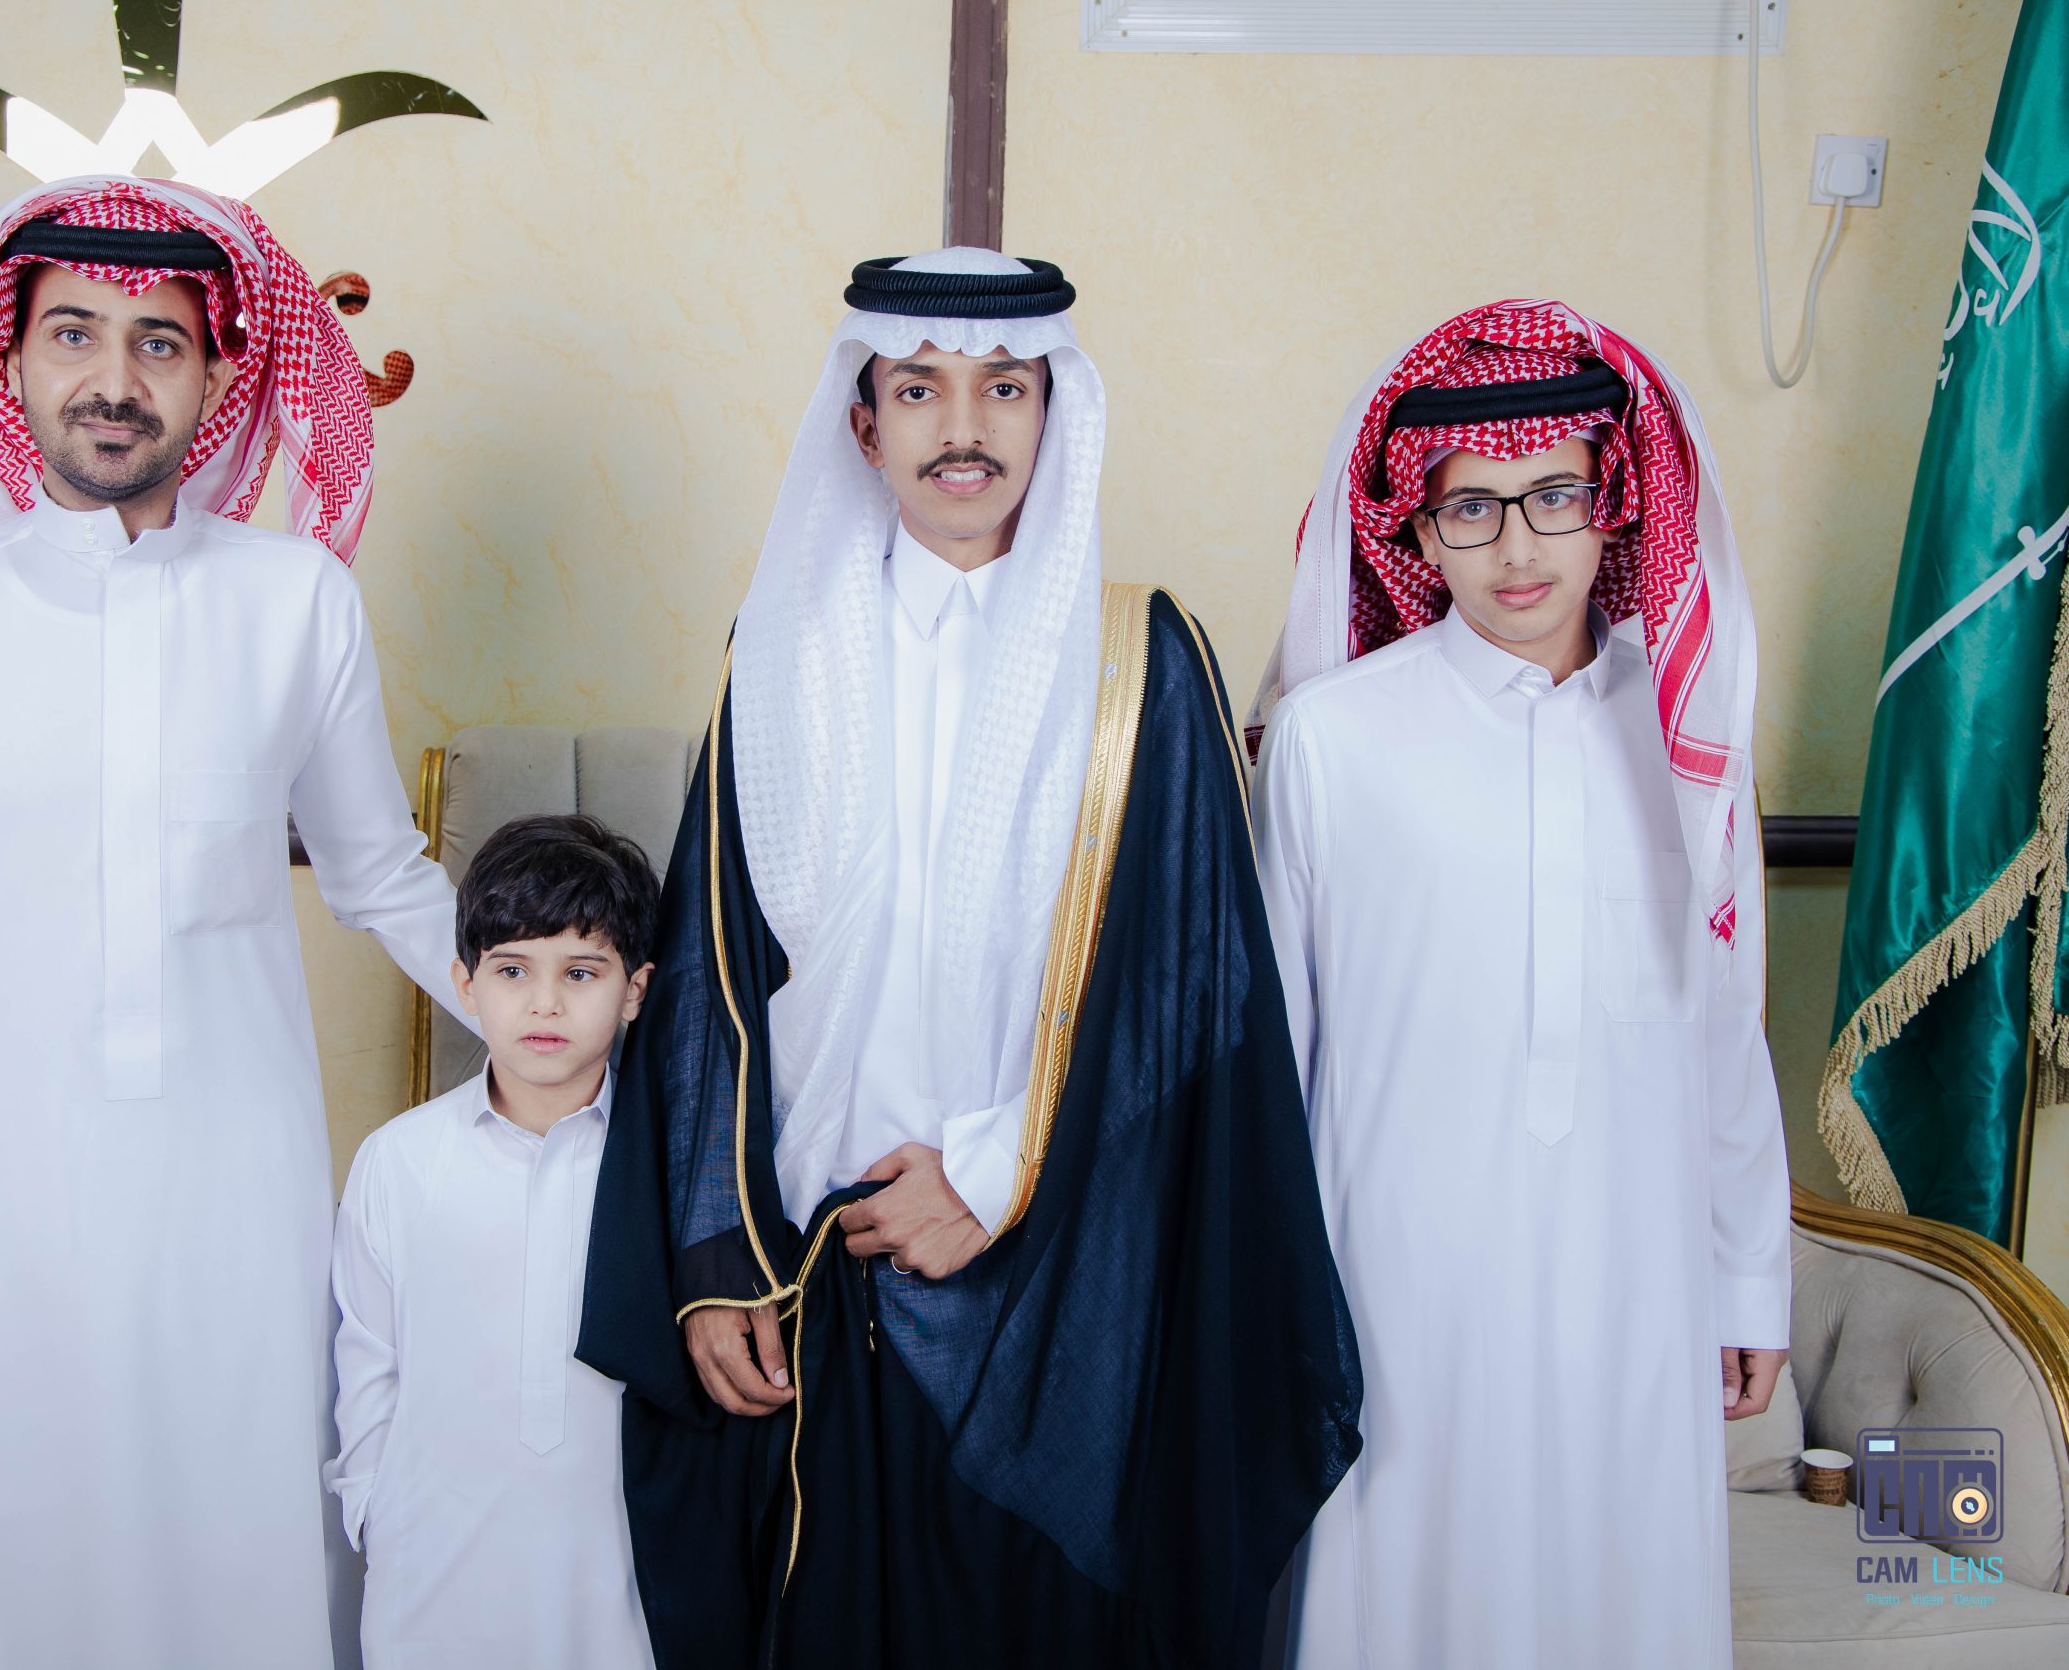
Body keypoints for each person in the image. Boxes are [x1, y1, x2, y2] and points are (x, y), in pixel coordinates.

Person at [578, 249, 1363, 1669]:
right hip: (817, 1265)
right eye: (919, 388)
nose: (963, 427)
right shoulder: (780, 647)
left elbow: (1192, 983)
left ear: (1054, 414)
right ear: (863, 421)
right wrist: (709, 1254)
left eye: (1005, 389)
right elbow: (707, 968)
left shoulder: (1139, 657)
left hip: (1062, 1274)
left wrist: (996, 1176)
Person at [0, 176, 458, 1670]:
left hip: (234, 1200)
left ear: (218, 377)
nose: (114, 377)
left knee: (239, 1578)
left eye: (160, 342)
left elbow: (382, 876)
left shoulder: (296, 602)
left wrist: (598, 1014)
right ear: (12, 365)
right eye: (73, 333)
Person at [1245, 299, 1793, 1670]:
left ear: (1615, 506)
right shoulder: (1330, 738)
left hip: (1635, 1268)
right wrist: (1268, 1299)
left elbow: (1725, 1031)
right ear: (1417, 532)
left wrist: (1748, 1279)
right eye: (1471, 509)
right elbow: (1272, 1051)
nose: (1517, 547)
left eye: (1554, 496)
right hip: (1395, 1272)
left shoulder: (1684, 734)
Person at [326, 814, 662, 1668]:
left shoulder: (665, 1168)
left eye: (581, 972)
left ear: (635, 989)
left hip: (618, 1582)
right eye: (513, 969)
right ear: (466, 983)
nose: (545, 1002)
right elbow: (368, 1367)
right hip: (431, 1580)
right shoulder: (399, 1161)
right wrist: (376, 1512)